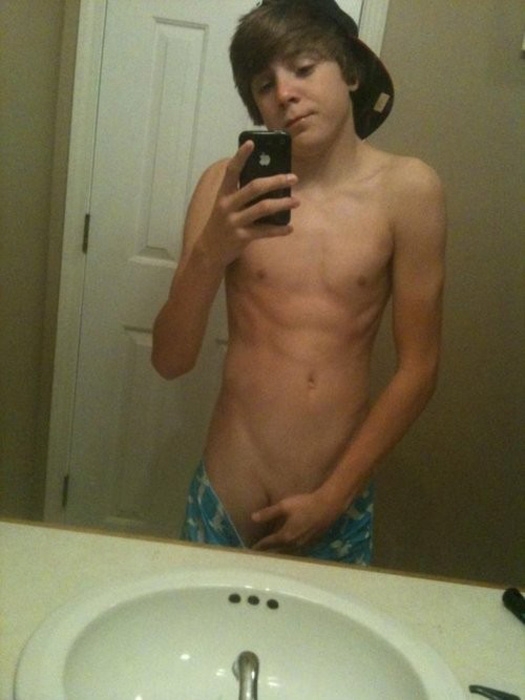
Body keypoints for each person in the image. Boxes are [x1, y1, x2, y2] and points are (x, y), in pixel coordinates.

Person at [151, 0, 446, 564]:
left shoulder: (409, 192)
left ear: (351, 72)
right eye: (265, 85)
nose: (285, 93)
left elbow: (420, 368)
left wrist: (334, 498)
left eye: (304, 68)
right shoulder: (224, 187)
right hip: (225, 497)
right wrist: (211, 251)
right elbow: (170, 360)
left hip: (335, 504)